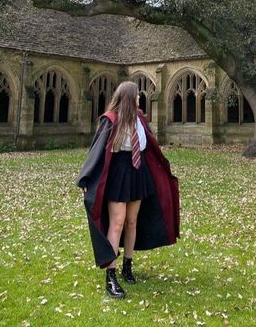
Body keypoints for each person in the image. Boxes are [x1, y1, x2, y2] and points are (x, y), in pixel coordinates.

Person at [77, 81, 180, 298]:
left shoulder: (140, 120)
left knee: (132, 221)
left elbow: (148, 146)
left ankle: (127, 266)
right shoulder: (111, 120)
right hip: (119, 173)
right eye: (137, 96)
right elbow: (96, 151)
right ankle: (111, 276)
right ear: (128, 97)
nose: (139, 99)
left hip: (138, 172)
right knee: (117, 222)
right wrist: (86, 179)